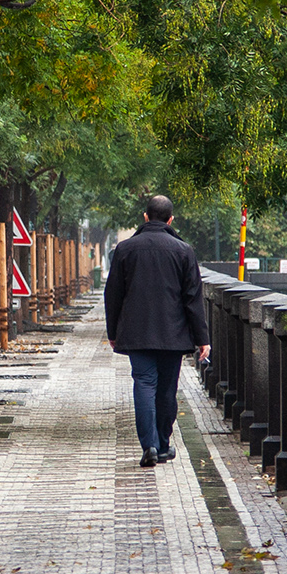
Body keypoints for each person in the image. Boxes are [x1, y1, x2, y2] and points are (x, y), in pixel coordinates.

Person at [104, 194, 210, 467]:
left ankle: (149, 445)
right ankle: (163, 445)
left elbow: (113, 294)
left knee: (143, 384)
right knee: (166, 390)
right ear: (171, 219)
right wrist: (202, 339)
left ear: (145, 216)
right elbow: (193, 299)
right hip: (173, 335)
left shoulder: (125, 249)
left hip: (137, 334)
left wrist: (112, 331)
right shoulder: (183, 251)